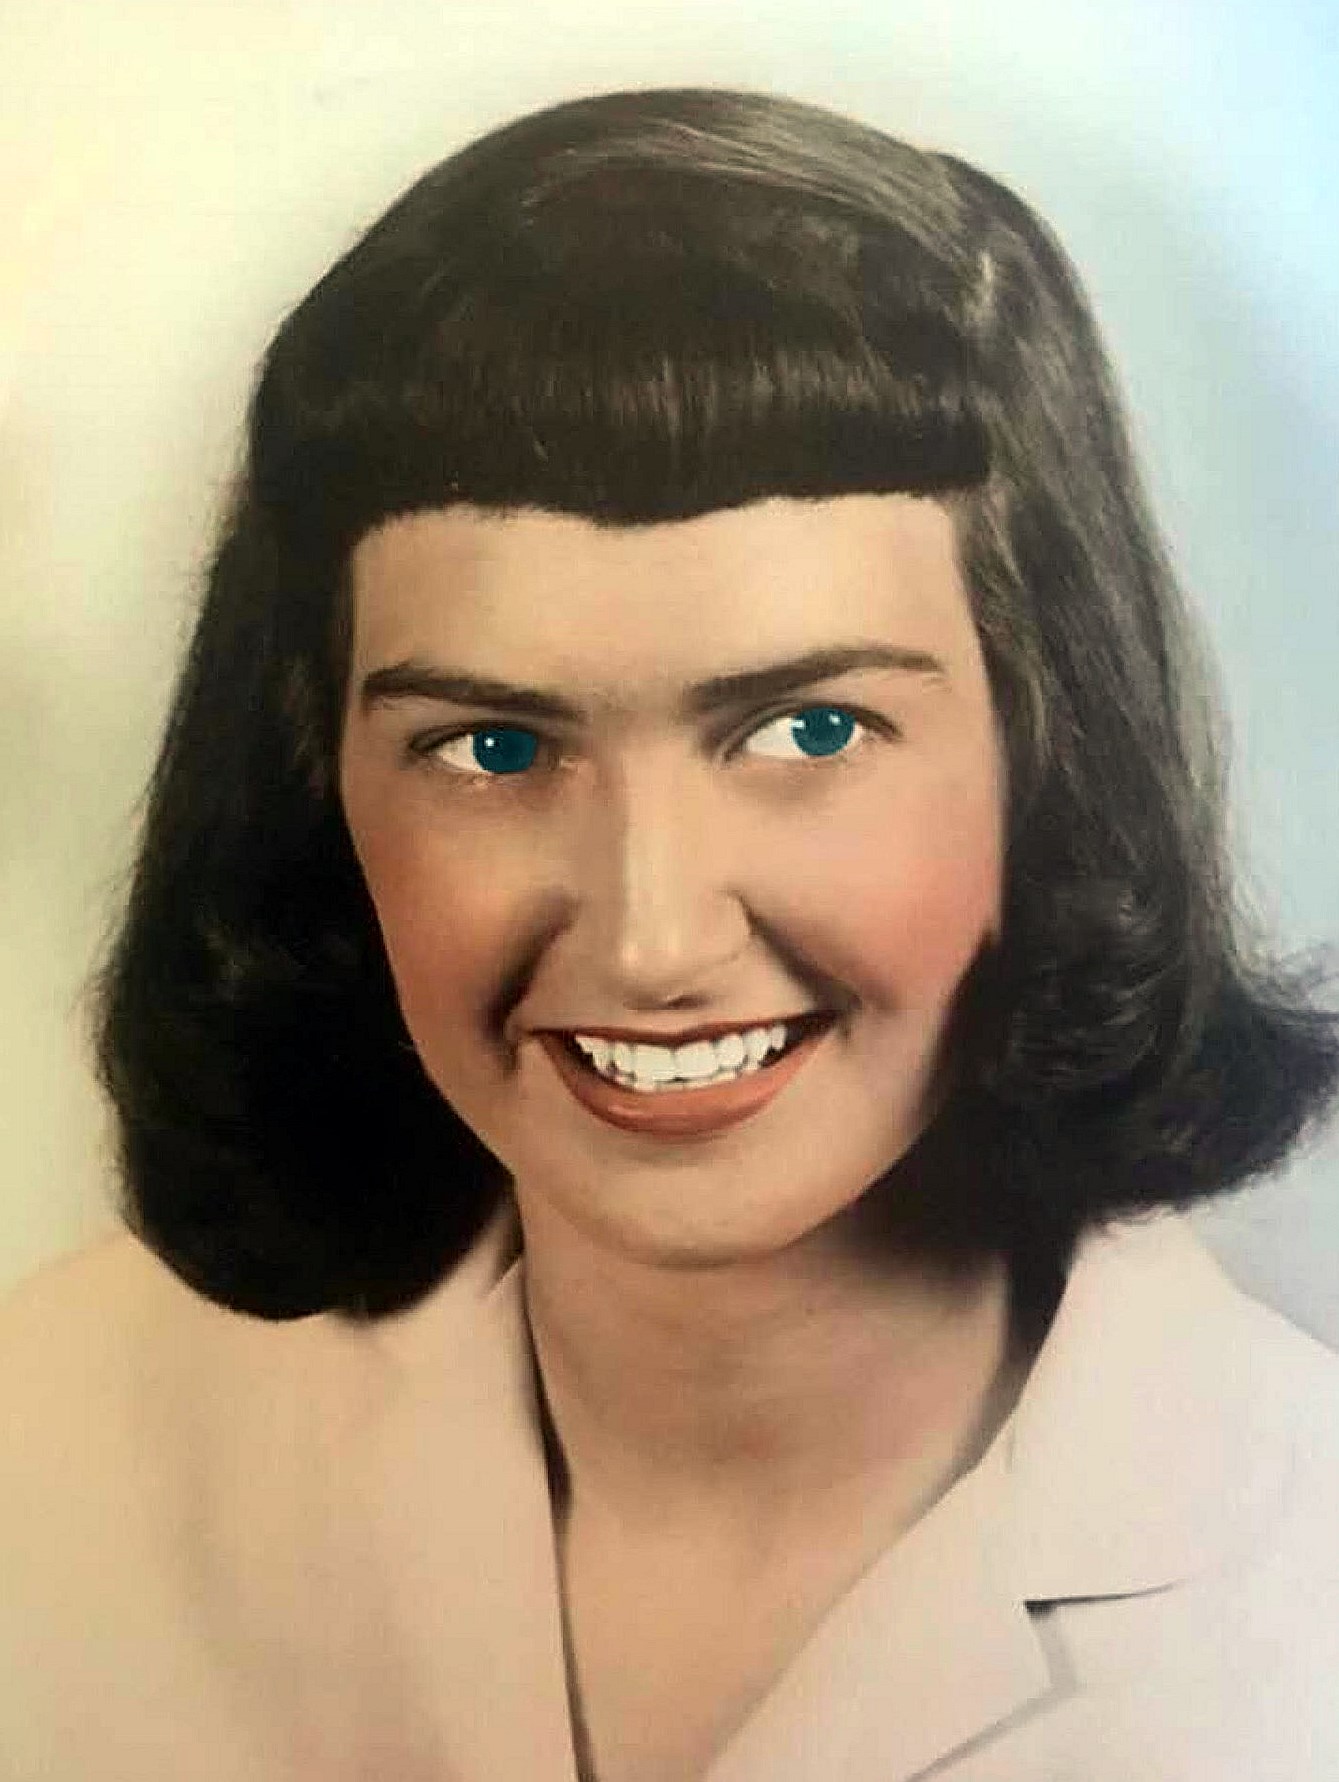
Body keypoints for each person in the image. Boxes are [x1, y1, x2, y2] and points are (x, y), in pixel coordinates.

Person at [1, 87, 1336, 1782]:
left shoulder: (1303, 1583)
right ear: (315, 785)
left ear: (1048, 762)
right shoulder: (47, 1446)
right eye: (494, 748)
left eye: (808, 731)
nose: (649, 940)